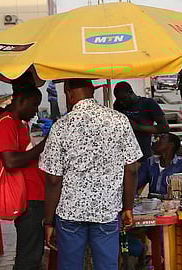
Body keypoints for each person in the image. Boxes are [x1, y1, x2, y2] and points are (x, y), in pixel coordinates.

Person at [41, 79, 142, 270]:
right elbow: (132, 168)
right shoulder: (119, 120)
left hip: (70, 213)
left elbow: (53, 180)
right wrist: (128, 208)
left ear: (69, 93)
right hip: (107, 211)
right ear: (92, 91)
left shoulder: (61, 127)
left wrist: (48, 222)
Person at [0, 85, 47, 270]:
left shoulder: (19, 123)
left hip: (34, 194)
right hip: (27, 197)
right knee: (29, 256)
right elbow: (11, 161)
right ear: (20, 101)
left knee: (34, 251)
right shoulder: (6, 122)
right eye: (33, 105)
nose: (35, 111)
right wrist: (43, 146)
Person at [113, 81, 169, 161]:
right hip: (124, 155)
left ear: (131, 92)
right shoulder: (117, 105)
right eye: (118, 100)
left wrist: (137, 127)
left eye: (123, 99)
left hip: (143, 154)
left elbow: (164, 127)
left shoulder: (148, 103)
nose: (121, 102)